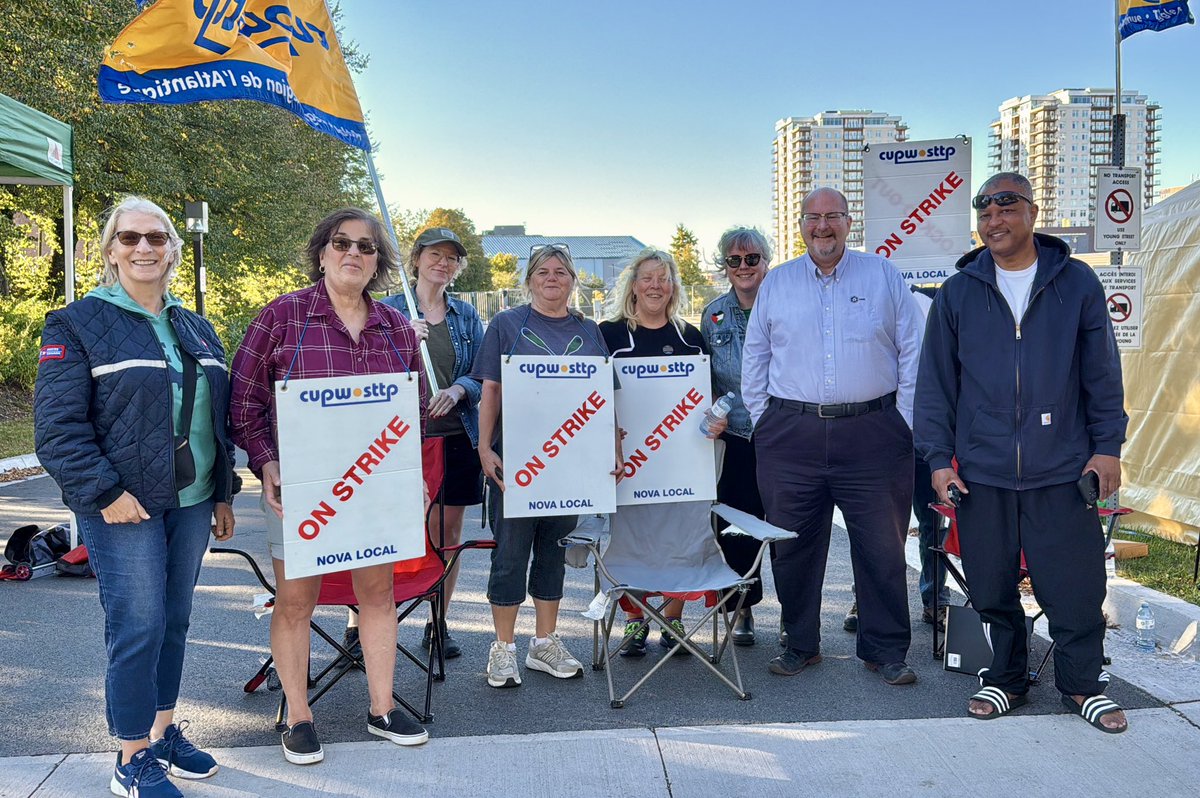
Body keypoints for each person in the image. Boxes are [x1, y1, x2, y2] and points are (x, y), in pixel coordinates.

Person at [34, 196, 238, 798]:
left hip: (195, 500)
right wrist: (104, 491)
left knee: (175, 621)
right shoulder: (75, 323)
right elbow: (57, 428)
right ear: (109, 250)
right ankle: (131, 754)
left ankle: (165, 731)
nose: (144, 248)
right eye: (129, 239)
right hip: (124, 503)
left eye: (156, 237)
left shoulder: (197, 326)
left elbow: (214, 420)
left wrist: (223, 492)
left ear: (174, 248)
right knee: (138, 624)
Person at [915, 172, 1129, 732]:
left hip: (1061, 468)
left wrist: (1106, 448)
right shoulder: (959, 292)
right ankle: (1004, 678)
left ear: (1032, 213)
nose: (993, 220)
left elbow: (1103, 373)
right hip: (982, 473)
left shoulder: (1076, 282)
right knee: (990, 586)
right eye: (984, 211)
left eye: (1005, 208)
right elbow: (935, 386)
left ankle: (1083, 685)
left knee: (1076, 587)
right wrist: (939, 459)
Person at [230, 207, 430, 764]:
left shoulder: (393, 327)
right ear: (322, 253)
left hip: (373, 485)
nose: (353, 254)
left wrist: (408, 477)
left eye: (366, 247)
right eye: (342, 243)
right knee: (297, 600)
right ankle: (298, 714)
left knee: (378, 594)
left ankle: (383, 708)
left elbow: (410, 411)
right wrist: (265, 461)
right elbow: (243, 404)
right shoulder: (282, 317)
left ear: (377, 263)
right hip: (300, 488)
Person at [742, 187, 924, 684]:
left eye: (832, 217)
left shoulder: (883, 275)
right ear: (800, 225)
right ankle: (800, 643)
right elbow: (755, 357)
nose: (822, 226)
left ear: (849, 222)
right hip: (790, 434)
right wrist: (766, 421)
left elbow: (912, 348)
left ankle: (886, 649)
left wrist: (902, 419)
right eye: (812, 218)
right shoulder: (776, 284)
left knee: (882, 547)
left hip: (875, 433)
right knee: (793, 548)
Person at [472, 243, 613, 688]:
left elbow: (602, 395)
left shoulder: (590, 331)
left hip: (568, 463)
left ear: (573, 280)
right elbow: (490, 390)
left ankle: (544, 643)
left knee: (552, 555)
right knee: (511, 555)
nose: (552, 278)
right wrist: (483, 447)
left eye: (561, 272)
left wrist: (607, 448)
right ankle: (503, 649)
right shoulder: (506, 324)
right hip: (517, 462)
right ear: (529, 279)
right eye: (543, 272)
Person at [600, 247, 726, 656]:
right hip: (629, 467)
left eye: (664, 278)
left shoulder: (689, 337)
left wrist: (716, 419)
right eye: (647, 278)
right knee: (632, 542)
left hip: (683, 465)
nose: (656, 285)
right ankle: (635, 621)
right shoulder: (610, 334)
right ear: (632, 285)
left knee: (682, 541)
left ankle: (673, 618)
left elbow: (708, 398)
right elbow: (593, 398)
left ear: (674, 287)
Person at [378, 227, 485, 660]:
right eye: (435, 255)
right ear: (417, 259)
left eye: (451, 258)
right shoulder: (386, 311)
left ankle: (437, 620)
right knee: (385, 532)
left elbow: (481, 371)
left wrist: (459, 390)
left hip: (455, 437)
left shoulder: (466, 315)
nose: (443, 263)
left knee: (447, 535)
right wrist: (401, 340)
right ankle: (363, 618)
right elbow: (365, 369)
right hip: (398, 439)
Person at [700, 227, 771, 646]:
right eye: (733, 260)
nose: (743, 267)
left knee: (787, 528)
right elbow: (702, 378)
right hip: (737, 437)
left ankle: (794, 616)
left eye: (751, 258)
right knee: (736, 529)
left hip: (783, 435)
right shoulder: (712, 316)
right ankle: (741, 609)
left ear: (766, 261)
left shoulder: (788, 304)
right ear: (724, 266)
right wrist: (713, 409)